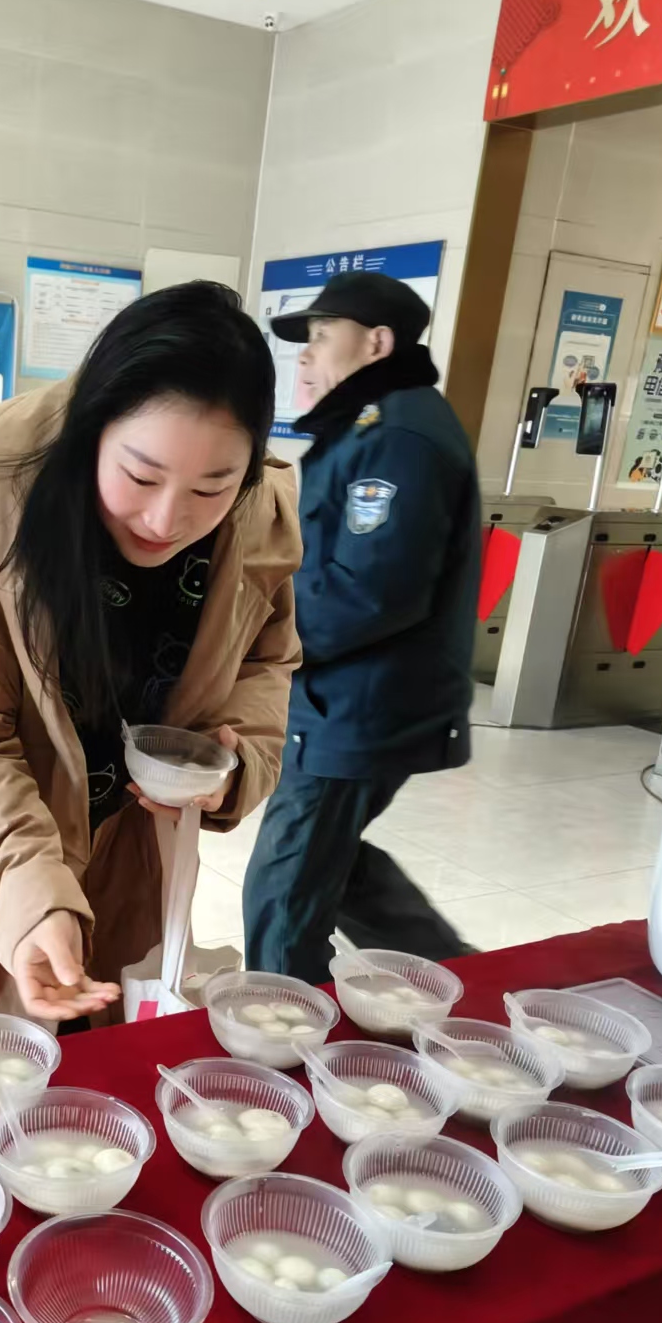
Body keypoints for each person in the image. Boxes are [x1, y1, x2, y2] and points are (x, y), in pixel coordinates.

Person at [0, 281, 302, 1071]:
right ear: (95, 425)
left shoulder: (261, 515)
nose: (164, 519)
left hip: (134, 867)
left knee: (99, 1097)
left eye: (210, 488)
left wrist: (236, 766)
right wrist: (29, 900)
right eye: (140, 475)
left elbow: (267, 661)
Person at [244, 270, 481, 983]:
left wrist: (257, 640)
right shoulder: (368, 425)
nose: (306, 356)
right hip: (342, 699)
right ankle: (465, 980)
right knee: (333, 864)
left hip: (358, 707)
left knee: (283, 889)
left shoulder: (397, 435)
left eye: (322, 336)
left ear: (376, 343)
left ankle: (282, 1025)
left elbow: (372, 591)